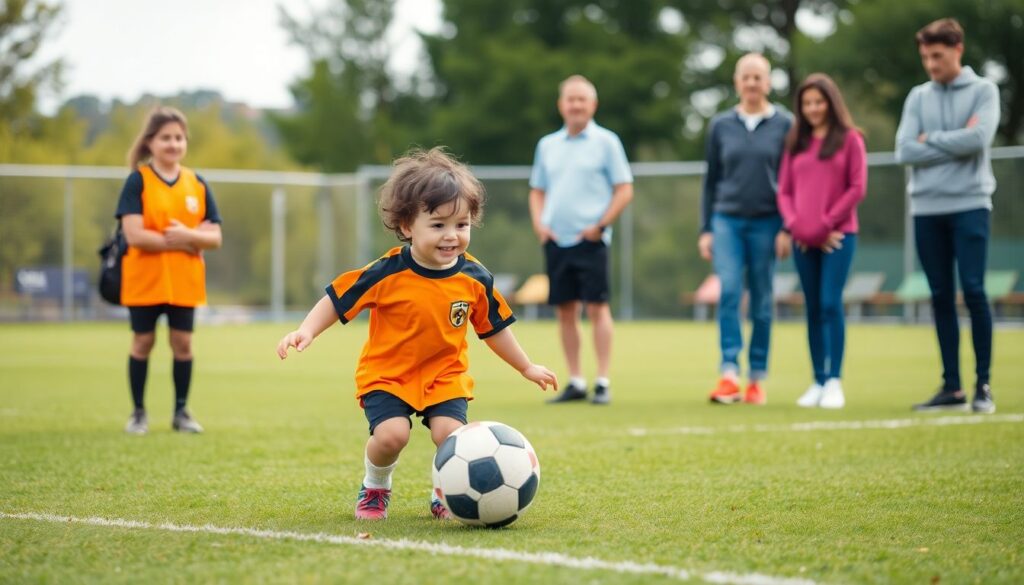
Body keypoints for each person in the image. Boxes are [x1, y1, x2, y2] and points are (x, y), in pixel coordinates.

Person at [276, 148, 557, 520]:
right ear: (408, 226)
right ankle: (375, 485)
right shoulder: (386, 272)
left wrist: (526, 366)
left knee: (450, 435)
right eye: (438, 225)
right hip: (388, 375)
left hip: (444, 375)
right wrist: (306, 329)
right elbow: (338, 298)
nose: (451, 236)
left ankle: (446, 491)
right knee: (392, 436)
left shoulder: (474, 278)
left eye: (461, 225)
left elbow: (494, 329)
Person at [895, 18, 999, 414]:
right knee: (939, 295)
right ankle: (952, 387)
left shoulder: (984, 91)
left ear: (958, 50)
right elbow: (905, 150)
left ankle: (983, 385)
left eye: (937, 56)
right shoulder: (918, 96)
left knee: (973, 291)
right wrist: (955, 142)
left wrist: (931, 140)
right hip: (926, 208)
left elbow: (979, 139)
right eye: (925, 57)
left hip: (971, 204)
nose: (931, 64)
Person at [528, 74, 634, 405]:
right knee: (565, 311)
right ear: (561, 105)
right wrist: (540, 225)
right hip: (556, 241)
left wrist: (600, 226)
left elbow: (624, 189)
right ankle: (575, 380)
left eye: (582, 99)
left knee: (598, 308)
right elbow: (537, 190)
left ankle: (602, 381)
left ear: (593, 105)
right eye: (570, 99)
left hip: (591, 240)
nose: (576, 105)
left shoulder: (607, 142)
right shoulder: (547, 145)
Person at [118, 107, 222, 435]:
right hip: (144, 280)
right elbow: (134, 235)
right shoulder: (138, 181)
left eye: (179, 137)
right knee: (142, 342)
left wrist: (190, 235)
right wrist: (186, 241)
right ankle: (138, 413)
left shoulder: (196, 183)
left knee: (183, 344)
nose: (173, 144)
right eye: (166, 137)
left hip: (184, 282)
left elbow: (215, 237)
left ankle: (181, 412)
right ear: (150, 141)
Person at [699, 53, 792, 405]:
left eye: (758, 77)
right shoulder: (720, 125)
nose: (752, 83)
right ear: (737, 82)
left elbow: (791, 180)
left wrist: (786, 228)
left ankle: (756, 378)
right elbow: (711, 180)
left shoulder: (785, 124)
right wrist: (706, 228)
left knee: (762, 300)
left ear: (768, 83)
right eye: (746, 77)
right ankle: (728, 374)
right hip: (727, 221)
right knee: (729, 291)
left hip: (769, 223)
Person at [777, 74, 867, 409]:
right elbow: (785, 192)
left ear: (831, 103)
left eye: (819, 101)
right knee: (813, 307)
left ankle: (834, 381)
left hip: (838, 237)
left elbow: (857, 187)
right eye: (807, 103)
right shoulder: (795, 142)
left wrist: (825, 223)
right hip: (803, 240)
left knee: (830, 303)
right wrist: (796, 225)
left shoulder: (850, 139)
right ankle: (817, 380)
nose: (813, 108)